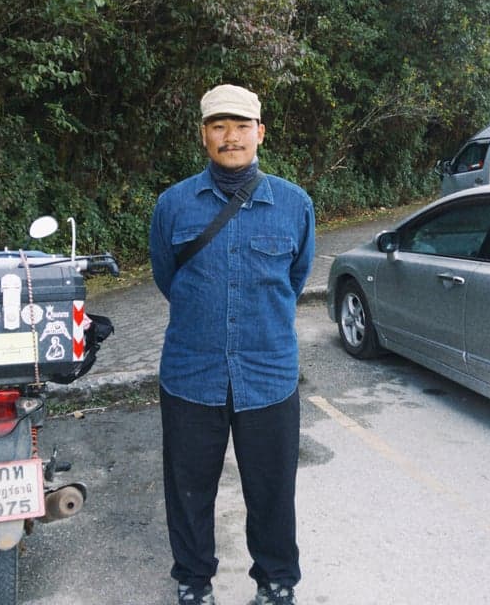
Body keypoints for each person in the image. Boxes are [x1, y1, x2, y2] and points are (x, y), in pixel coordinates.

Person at [149, 84, 316, 605]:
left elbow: (296, 277)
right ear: (203, 135)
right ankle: (194, 580)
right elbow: (165, 277)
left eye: (242, 126)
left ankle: (275, 579)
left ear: (260, 133)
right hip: (190, 374)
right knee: (189, 489)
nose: (231, 137)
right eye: (219, 126)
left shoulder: (294, 204)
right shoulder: (173, 205)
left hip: (268, 374)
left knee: (271, 490)